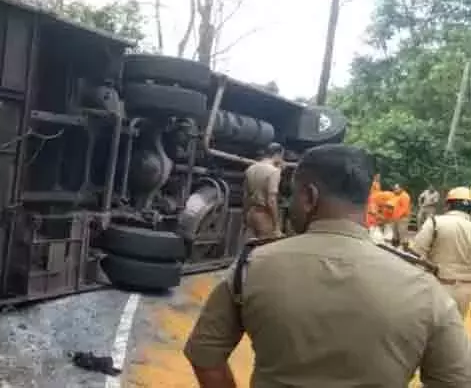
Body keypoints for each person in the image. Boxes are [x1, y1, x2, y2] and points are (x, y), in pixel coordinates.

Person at [183, 144, 471, 388]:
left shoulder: (252, 267)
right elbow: (456, 381)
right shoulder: (423, 287)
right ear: (366, 199)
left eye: (292, 195)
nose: (289, 204)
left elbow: (204, 356)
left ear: (309, 196)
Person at [410, 186, 471, 318]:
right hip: (465, 291)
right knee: (454, 332)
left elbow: (415, 253)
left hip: (436, 286)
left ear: (448, 205)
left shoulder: (435, 222)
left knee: (429, 330)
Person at [241, 143, 283, 239]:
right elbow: (271, 201)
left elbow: (245, 196)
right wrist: (277, 226)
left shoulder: (250, 168)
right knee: (265, 247)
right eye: (281, 156)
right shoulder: (274, 171)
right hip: (263, 214)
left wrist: (245, 217)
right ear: (277, 154)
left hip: (251, 214)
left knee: (250, 248)